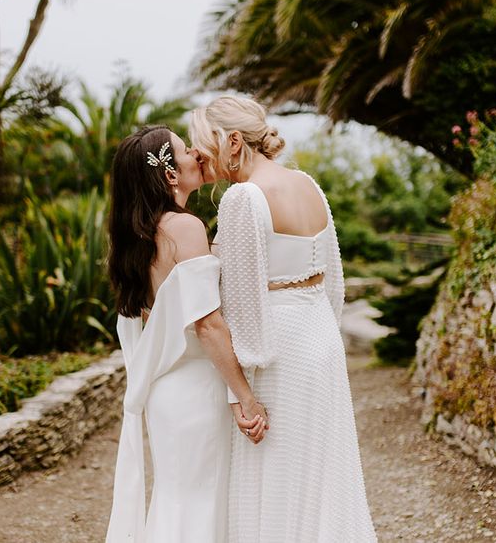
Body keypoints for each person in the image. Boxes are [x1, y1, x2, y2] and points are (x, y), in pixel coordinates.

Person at [190, 96, 377, 543]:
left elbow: (238, 298)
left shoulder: (242, 197)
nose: (200, 158)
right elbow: (331, 276)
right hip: (320, 338)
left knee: (275, 472)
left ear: (233, 141)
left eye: (204, 146)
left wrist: (240, 392)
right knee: (323, 470)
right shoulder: (307, 183)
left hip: (279, 351)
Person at [105, 125, 268, 543]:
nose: (197, 153)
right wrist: (244, 395)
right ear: (170, 175)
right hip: (197, 390)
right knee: (200, 506)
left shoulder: (140, 237)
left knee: (177, 501)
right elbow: (207, 324)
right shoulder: (185, 227)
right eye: (183, 150)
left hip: (166, 393)